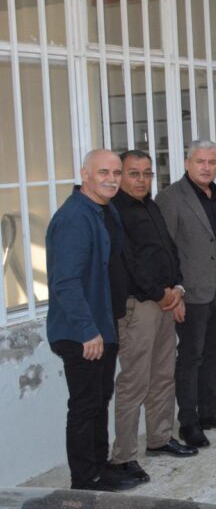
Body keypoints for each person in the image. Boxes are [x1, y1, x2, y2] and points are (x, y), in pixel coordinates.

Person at [46, 149, 137, 491]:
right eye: (103, 172)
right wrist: (88, 331)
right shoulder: (74, 218)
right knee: (85, 406)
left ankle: (100, 468)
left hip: (103, 325)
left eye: (116, 172)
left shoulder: (105, 210)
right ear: (85, 174)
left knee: (99, 402)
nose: (112, 179)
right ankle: (84, 481)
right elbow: (65, 282)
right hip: (81, 332)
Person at [109, 151, 195, 487]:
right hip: (140, 305)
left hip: (165, 302)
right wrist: (159, 294)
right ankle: (123, 457)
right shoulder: (116, 210)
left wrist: (178, 290)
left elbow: (169, 251)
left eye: (147, 173)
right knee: (134, 382)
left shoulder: (150, 205)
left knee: (163, 375)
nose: (142, 180)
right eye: (134, 173)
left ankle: (159, 438)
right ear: (120, 175)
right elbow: (129, 262)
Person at [156, 140, 216, 449]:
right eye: (200, 161)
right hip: (191, 294)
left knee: (214, 353)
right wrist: (175, 293)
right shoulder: (171, 198)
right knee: (190, 358)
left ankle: (209, 411)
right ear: (187, 163)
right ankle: (189, 422)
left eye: (212, 162)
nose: (207, 167)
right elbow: (165, 249)